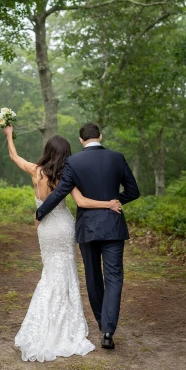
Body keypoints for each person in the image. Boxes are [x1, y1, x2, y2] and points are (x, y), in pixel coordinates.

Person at [3, 125, 122, 362]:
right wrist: (108, 204)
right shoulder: (66, 176)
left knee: (49, 272)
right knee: (66, 270)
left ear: (47, 151)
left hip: (45, 228)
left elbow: (13, 156)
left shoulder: (35, 171)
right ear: (66, 154)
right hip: (64, 226)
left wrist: (9, 135)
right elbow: (82, 201)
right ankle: (68, 320)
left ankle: (45, 318)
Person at [35, 123, 140, 350]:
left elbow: (61, 191)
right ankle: (109, 330)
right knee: (114, 277)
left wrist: (40, 212)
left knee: (93, 277)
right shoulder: (117, 157)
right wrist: (114, 202)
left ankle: (102, 324)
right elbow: (134, 191)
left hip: (88, 228)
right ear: (100, 136)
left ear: (81, 140)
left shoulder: (74, 162)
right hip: (113, 227)